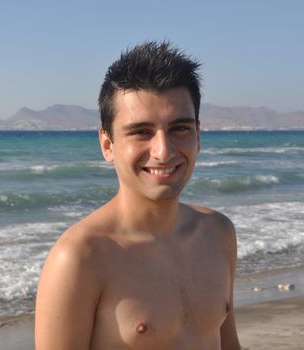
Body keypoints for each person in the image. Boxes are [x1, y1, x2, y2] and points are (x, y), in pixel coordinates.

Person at [35, 41, 241, 349]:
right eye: (141, 132)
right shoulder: (80, 259)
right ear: (107, 145)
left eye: (179, 129)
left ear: (198, 136)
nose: (163, 150)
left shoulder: (218, 234)